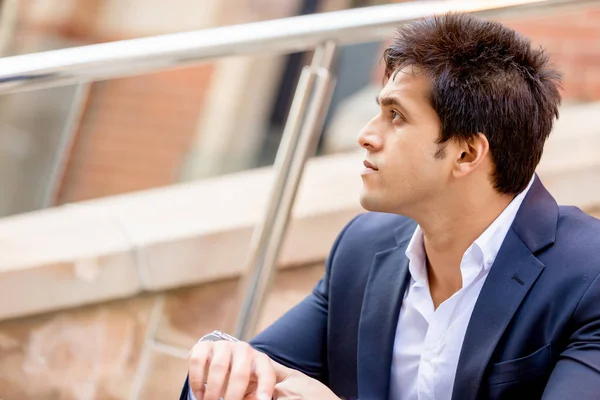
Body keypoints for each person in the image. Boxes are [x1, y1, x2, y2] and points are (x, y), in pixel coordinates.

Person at [181, 13, 600, 400]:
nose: (366, 135)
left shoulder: (588, 277)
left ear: (467, 154)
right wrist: (223, 364)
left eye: (396, 115)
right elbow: (256, 372)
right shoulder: (362, 249)